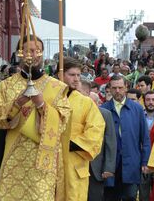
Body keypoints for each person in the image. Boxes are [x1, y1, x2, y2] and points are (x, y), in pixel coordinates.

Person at [0, 36, 71, 201]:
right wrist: (18, 103)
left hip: (43, 159)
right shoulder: (6, 85)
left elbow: (63, 120)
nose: (33, 54)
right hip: (14, 157)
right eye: (28, 50)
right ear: (19, 54)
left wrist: (41, 105)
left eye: (37, 50)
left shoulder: (56, 87)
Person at [60, 57, 105, 201]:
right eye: (72, 75)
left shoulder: (86, 102)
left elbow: (96, 129)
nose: (76, 79)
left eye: (78, 75)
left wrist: (72, 144)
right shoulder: (50, 99)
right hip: (52, 163)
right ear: (60, 74)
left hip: (75, 163)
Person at [101, 76, 151, 201]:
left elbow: (144, 138)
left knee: (130, 196)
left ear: (126, 88)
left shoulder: (137, 109)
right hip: (110, 164)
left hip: (132, 162)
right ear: (109, 89)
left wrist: (145, 161)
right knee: (109, 196)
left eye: (120, 88)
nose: (117, 91)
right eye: (114, 88)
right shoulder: (103, 109)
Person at [87, 93, 117, 201]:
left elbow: (110, 142)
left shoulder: (105, 114)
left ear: (97, 103)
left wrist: (108, 167)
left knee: (95, 197)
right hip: (76, 165)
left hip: (96, 167)